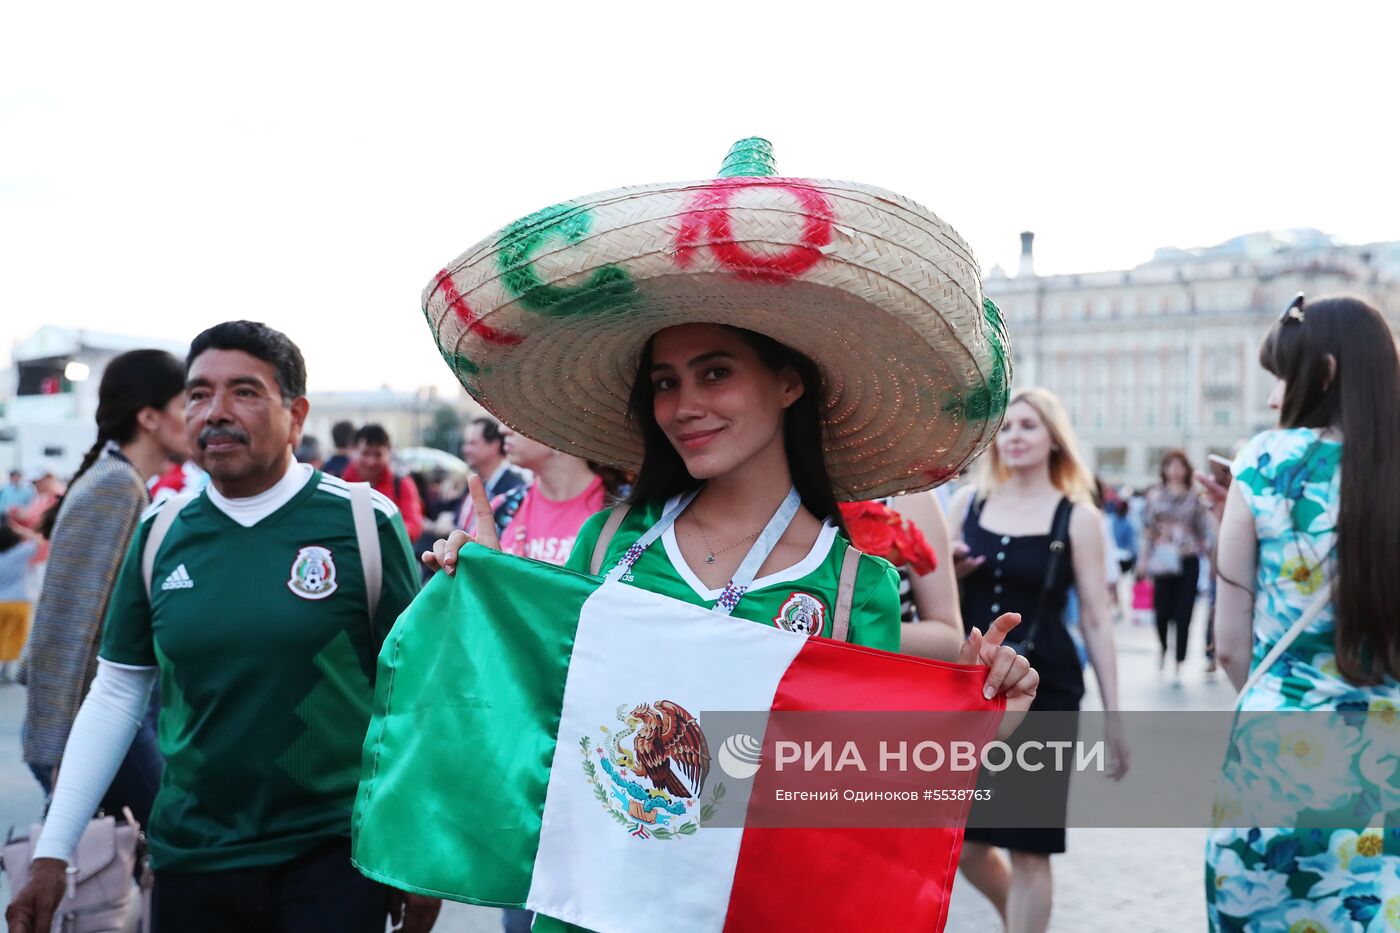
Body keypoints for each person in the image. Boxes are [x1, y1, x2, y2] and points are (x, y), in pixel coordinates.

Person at [420, 138, 1041, 932]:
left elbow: (881, 787)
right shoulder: (610, 545)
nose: (684, 406)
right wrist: (476, 596)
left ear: (789, 381)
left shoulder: (855, 586)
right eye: (665, 382)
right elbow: (535, 716)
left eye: (716, 372)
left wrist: (995, 709)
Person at [5, 322, 439, 933]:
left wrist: (417, 844)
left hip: (332, 859)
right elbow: (117, 692)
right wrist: (53, 852)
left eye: (245, 391)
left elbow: (413, 694)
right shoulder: (159, 530)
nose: (216, 412)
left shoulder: (364, 523)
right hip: (193, 861)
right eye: (200, 393)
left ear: (296, 415)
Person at [1203, 294, 1400, 931]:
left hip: (1275, 759)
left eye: (1282, 376)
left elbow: (1230, 648)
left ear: (1326, 372)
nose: (1271, 398)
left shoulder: (1264, 461)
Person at [950, 386, 1127, 933]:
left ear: (1053, 438)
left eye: (1027, 426)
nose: (1014, 437)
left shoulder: (1077, 517)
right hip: (973, 689)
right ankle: (1016, 919)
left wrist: (1116, 718)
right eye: (1005, 428)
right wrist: (950, 577)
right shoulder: (966, 504)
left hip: (1047, 691)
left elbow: (1096, 619)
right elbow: (937, 602)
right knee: (963, 843)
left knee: (1030, 847)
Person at [19, 349, 189, 814]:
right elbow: (68, 627)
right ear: (150, 417)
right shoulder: (116, 486)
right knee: (164, 840)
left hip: (111, 715)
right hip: (99, 721)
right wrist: (58, 754)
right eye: (186, 402)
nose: (198, 415)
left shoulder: (120, 479)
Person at [1140, 449, 1213, 680]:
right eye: (1170, 465)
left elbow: (1203, 532)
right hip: (1163, 559)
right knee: (1161, 612)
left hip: (1188, 557)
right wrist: (1143, 560)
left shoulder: (1195, 496)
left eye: (1179, 465)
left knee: (1184, 612)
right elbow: (1148, 530)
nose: (1175, 470)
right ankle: (1163, 647)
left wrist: (1212, 560)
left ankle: (1179, 659)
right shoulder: (1155, 495)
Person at [496, 426, 616, 565]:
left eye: (518, 420)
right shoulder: (503, 508)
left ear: (562, 432)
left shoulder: (623, 513)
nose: (503, 429)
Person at [341, 423, 424, 542]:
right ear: (353, 451)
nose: (371, 462)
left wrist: (379, 536)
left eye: (378, 454)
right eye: (365, 453)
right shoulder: (340, 483)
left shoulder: (403, 484)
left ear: (389, 452)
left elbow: (414, 525)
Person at [459, 416, 527, 535]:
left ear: (494, 446)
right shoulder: (474, 484)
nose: (466, 449)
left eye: (472, 443)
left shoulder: (513, 490)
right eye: (466, 443)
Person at [0, 522, 42, 680]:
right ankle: (8, 669)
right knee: (15, 636)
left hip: (0, 602)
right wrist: (20, 530)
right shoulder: (20, 553)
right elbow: (38, 540)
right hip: (19, 602)